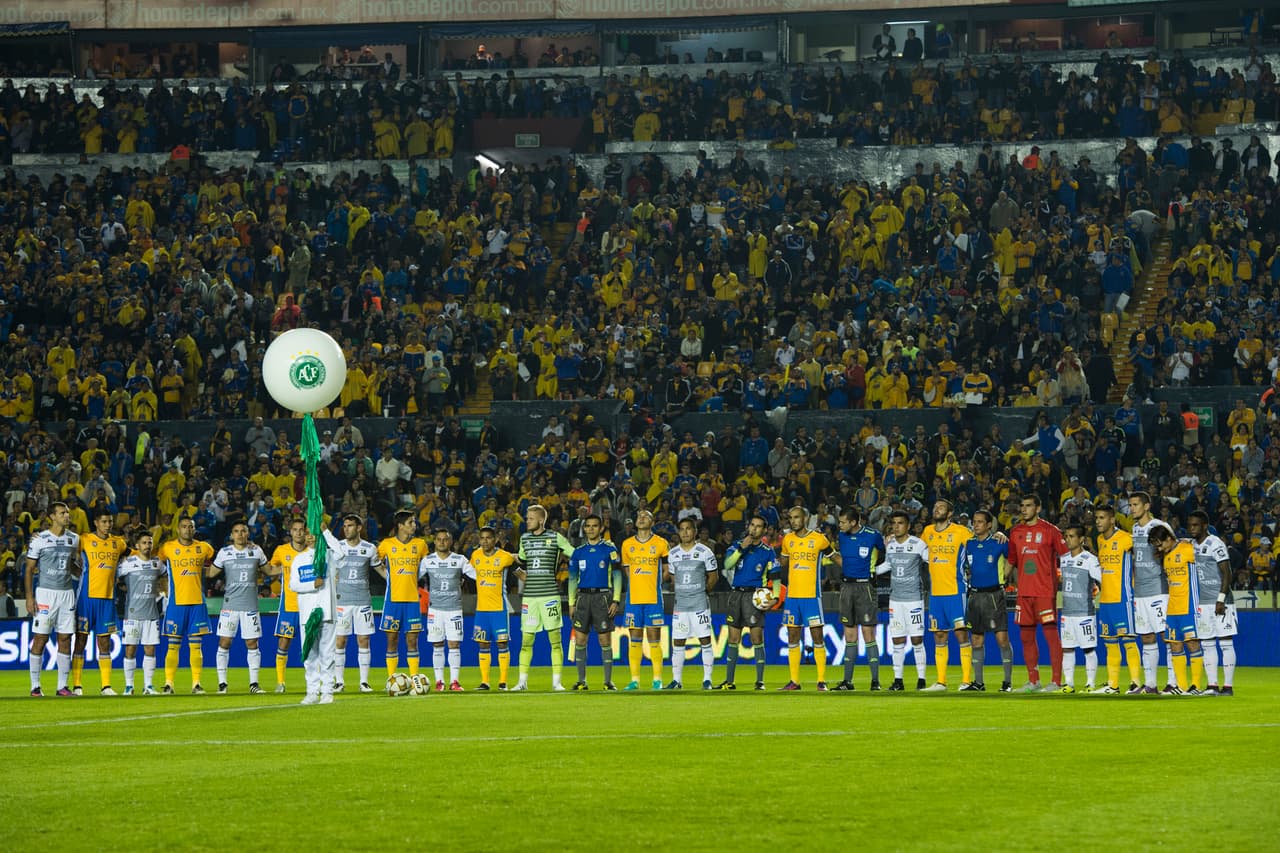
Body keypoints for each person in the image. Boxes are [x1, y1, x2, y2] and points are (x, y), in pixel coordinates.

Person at [1007, 494, 1067, 692]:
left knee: (1051, 636)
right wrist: (1000, 581)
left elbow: (1066, 556)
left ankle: (1056, 681)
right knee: (1026, 637)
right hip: (1024, 593)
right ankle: (1033, 681)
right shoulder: (1016, 532)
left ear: (1038, 508)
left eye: (1028, 506)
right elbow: (1011, 562)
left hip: (1044, 592)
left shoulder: (1051, 531)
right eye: (1022, 506)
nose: (1024, 509)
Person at [514, 504, 575, 691]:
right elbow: (523, 561)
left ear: (541, 520)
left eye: (531, 518)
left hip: (549, 595)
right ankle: (522, 682)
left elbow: (573, 552)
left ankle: (557, 682)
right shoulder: (524, 539)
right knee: (526, 640)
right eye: (527, 518)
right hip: (530, 597)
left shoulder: (554, 537)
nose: (527, 521)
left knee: (555, 640)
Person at [718, 514, 780, 690]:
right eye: (752, 525)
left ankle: (760, 681)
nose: (754, 528)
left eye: (758, 526)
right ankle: (729, 682)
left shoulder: (768, 552)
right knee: (733, 638)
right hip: (736, 595)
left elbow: (775, 577)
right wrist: (741, 549)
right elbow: (728, 565)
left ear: (764, 530)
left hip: (754, 597)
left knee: (756, 638)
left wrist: (775, 597)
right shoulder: (736, 546)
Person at [25, 502, 81, 697]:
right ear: (52, 517)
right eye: (62, 513)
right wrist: (29, 596)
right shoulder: (40, 539)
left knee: (65, 638)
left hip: (67, 594)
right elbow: (30, 569)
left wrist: (84, 575)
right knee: (41, 638)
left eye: (67, 512)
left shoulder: (74, 539)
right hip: (45, 594)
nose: (67, 515)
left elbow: (72, 566)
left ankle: (62, 687)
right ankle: (35, 686)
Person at [324, 514, 383, 693]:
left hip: (363, 601)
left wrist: (395, 582)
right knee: (340, 641)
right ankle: (339, 682)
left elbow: (380, 569)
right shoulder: (337, 547)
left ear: (359, 528)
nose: (346, 529)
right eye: (345, 526)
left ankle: (364, 682)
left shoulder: (370, 548)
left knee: (363, 640)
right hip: (342, 601)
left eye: (350, 526)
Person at [159, 515, 216, 694]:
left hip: (197, 603)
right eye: (184, 527)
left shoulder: (204, 548)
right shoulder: (167, 548)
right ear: (178, 529)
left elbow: (215, 566)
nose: (187, 530)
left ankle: (196, 684)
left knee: (196, 645)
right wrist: (163, 589)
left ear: (194, 529)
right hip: (176, 603)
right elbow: (158, 569)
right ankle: (169, 683)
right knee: (173, 645)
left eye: (190, 527)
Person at [72, 509, 127, 695]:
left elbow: (134, 553)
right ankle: (77, 685)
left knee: (104, 642)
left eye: (110, 521)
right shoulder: (84, 539)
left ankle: (106, 686)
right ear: (96, 522)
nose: (108, 525)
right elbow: (67, 552)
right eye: (104, 521)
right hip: (86, 599)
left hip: (107, 599)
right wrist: (77, 572)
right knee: (81, 641)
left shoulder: (118, 543)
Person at [211, 521, 269, 694]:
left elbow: (270, 570)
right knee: (224, 642)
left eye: (243, 531)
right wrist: (189, 568)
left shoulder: (256, 551)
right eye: (236, 531)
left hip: (250, 605)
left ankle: (254, 684)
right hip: (230, 605)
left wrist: (289, 568)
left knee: (252, 643)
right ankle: (222, 684)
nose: (240, 534)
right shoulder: (224, 553)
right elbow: (211, 573)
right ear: (231, 535)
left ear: (248, 533)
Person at [921, 499, 973, 691]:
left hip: (956, 591)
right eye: (935, 507)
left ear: (950, 513)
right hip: (936, 594)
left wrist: (997, 534)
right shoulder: (927, 532)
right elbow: (919, 551)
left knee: (961, 634)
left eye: (941, 507)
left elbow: (978, 543)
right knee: (939, 635)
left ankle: (966, 680)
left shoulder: (961, 532)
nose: (937, 509)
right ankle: (941, 681)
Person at [779, 506, 832, 691]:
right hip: (793, 597)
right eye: (790, 518)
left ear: (805, 518)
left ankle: (821, 680)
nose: (793, 521)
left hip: (812, 596)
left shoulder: (819, 539)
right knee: (792, 636)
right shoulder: (787, 540)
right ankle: (794, 681)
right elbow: (782, 563)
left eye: (796, 517)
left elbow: (834, 556)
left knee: (817, 637)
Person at [832, 507, 886, 690]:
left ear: (854, 522)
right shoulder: (842, 536)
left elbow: (882, 553)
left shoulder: (873, 535)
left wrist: (872, 571)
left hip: (865, 587)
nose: (840, 526)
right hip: (846, 587)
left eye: (843, 522)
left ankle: (875, 681)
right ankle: (847, 681)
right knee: (849, 635)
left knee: (869, 634)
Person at [961, 510, 1013, 692]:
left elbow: (1012, 558)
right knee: (976, 639)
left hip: (993, 596)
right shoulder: (969, 544)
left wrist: (1005, 576)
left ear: (989, 525)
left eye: (980, 522)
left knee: (1002, 638)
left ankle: (1007, 683)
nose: (976, 525)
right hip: (974, 596)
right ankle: (979, 683)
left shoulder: (999, 542)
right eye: (974, 522)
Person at [568, 514, 622, 690]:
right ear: (584, 529)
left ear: (601, 529)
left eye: (594, 526)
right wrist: (571, 603)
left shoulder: (609, 549)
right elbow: (572, 579)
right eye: (588, 526)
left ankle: (608, 681)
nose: (591, 529)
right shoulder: (578, 552)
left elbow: (617, 575)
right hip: (583, 598)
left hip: (603, 597)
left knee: (605, 640)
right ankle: (581, 681)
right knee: (581, 640)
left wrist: (616, 600)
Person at [664, 517, 719, 690]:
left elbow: (713, 577)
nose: (685, 532)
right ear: (678, 532)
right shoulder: (673, 554)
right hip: (681, 605)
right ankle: (676, 680)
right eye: (682, 529)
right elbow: (673, 578)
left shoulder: (705, 551)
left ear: (695, 531)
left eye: (689, 528)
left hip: (699, 604)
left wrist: (702, 592)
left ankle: (707, 679)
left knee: (705, 640)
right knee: (678, 642)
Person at [419, 528, 476, 692]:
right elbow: (411, 577)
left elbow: (477, 575)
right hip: (435, 610)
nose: (442, 542)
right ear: (435, 542)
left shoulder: (460, 560)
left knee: (454, 644)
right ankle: (439, 682)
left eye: (445, 539)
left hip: (454, 609)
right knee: (437, 644)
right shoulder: (428, 560)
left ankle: (454, 681)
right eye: (439, 539)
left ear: (450, 542)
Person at [1093, 504, 1142, 694]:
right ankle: (1113, 684)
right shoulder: (1099, 540)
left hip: (1123, 598)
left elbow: (1142, 559)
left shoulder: (1126, 539)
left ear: (1112, 519)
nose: (1098, 521)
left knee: (1129, 641)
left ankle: (1136, 682)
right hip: (1105, 601)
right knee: (1110, 643)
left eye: (1102, 517)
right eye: (1096, 517)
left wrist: (1137, 584)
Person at [1149, 525, 1203, 695]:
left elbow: (1209, 561)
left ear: (1168, 538)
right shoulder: (1166, 557)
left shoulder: (1188, 548)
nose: (1159, 548)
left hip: (1189, 605)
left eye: (1160, 544)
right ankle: (1181, 686)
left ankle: (1195, 685)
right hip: (1172, 607)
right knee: (1174, 644)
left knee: (1192, 643)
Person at [1187, 511, 1237, 695]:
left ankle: (1228, 686)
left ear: (1204, 526)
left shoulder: (1215, 544)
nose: (1192, 528)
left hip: (1221, 601)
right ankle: (1212, 685)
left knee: (1225, 642)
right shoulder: (1191, 545)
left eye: (1196, 525)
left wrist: (1221, 599)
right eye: (1190, 525)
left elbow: (1227, 573)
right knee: (1207, 643)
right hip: (1202, 602)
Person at [1127, 491, 1172, 694]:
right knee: (1146, 637)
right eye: (1130, 505)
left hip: (1158, 589)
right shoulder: (1135, 529)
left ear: (1146, 506)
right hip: (1141, 592)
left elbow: (1172, 551)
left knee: (1167, 636)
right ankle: (1151, 685)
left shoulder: (1160, 527)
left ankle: (1173, 683)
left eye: (1135, 504)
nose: (1132, 508)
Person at [376, 510, 429, 680]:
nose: (414, 525)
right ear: (400, 526)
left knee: (412, 641)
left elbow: (429, 566)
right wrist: (386, 575)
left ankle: (414, 678)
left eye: (414, 522)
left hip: (413, 601)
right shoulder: (386, 544)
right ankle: (392, 679)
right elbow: (373, 562)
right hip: (393, 600)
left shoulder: (421, 545)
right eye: (410, 522)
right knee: (392, 640)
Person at [621, 508, 669, 691]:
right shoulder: (627, 544)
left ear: (653, 521)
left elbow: (666, 570)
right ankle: (635, 680)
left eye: (645, 516)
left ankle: (657, 679)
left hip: (653, 598)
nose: (641, 518)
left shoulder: (661, 543)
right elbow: (627, 570)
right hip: (634, 599)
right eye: (638, 516)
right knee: (634, 638)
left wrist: (653, 582)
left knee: (654, 638)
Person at [288, 532, 336, 705]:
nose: (309, 537)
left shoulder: (329, 555)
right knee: (309, 654)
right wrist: (312, 585)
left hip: (327, 612)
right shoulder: (299, 559)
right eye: (307, 534)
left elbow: (342, 553)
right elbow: (292, 584)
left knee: (327, 655)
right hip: (306, 613)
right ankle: (312, 692)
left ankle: (328, 691)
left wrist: (325, 530)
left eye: (314, 533)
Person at [884, 510, 930, 691]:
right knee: (897, 641)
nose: (896, 526)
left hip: (914, 599)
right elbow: (887, 565)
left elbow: (931, 561)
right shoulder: (890, 545)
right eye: (893, 523)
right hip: (895, 600)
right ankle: (898, 680)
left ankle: (921, 679)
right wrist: (868, 572)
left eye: (900, 523)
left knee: (917, 639)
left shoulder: (918, 544)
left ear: (908, 526)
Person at [119, 529, 165, 696]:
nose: (147, 546)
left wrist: (164, 593)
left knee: (150, 649)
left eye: (150, 542)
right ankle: (129, 686)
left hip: (151, 614)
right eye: (144, 543)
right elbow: (115, 579)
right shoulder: (128, 563)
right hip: (132, 614)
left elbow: (166, 577)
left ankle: (148, 686)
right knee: (130, 649)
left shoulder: (158, 563)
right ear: (137, 545)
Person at [470, 526, 517, 690]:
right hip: (481, 609)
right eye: (482, 538)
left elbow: (518, 559)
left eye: (488, 538)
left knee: (502, 644)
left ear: (495, 539)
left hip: (499, 608)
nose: (485, 541)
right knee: (483, 644)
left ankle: (503, 682)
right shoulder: (475, 556)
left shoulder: (504, 556)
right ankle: (485, 681)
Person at [1058, 524, 1102, 693]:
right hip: (1067, 612)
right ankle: (1069, 684)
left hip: (1084, 612)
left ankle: (1090, 684)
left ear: (1081, 539)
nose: (1068, 539)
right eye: (1066, 536)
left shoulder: (1090, 560)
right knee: (1067, 648)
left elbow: (1101, 580)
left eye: (1072, 536)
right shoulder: (1063, 558)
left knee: (1088, 648)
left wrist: (1097, 591)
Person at [267, 519, 308, 693]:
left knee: (311, 646)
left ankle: (314, 682)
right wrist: (282, 570)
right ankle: (280, 682)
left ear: (306, 532)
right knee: (284, 643)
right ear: (290, 532)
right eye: (295, 530)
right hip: (289, 606)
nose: (298, 533)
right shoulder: (282, 551)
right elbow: (270, 569)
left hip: (309, 606)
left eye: (301, 530)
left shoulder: (312, 551)